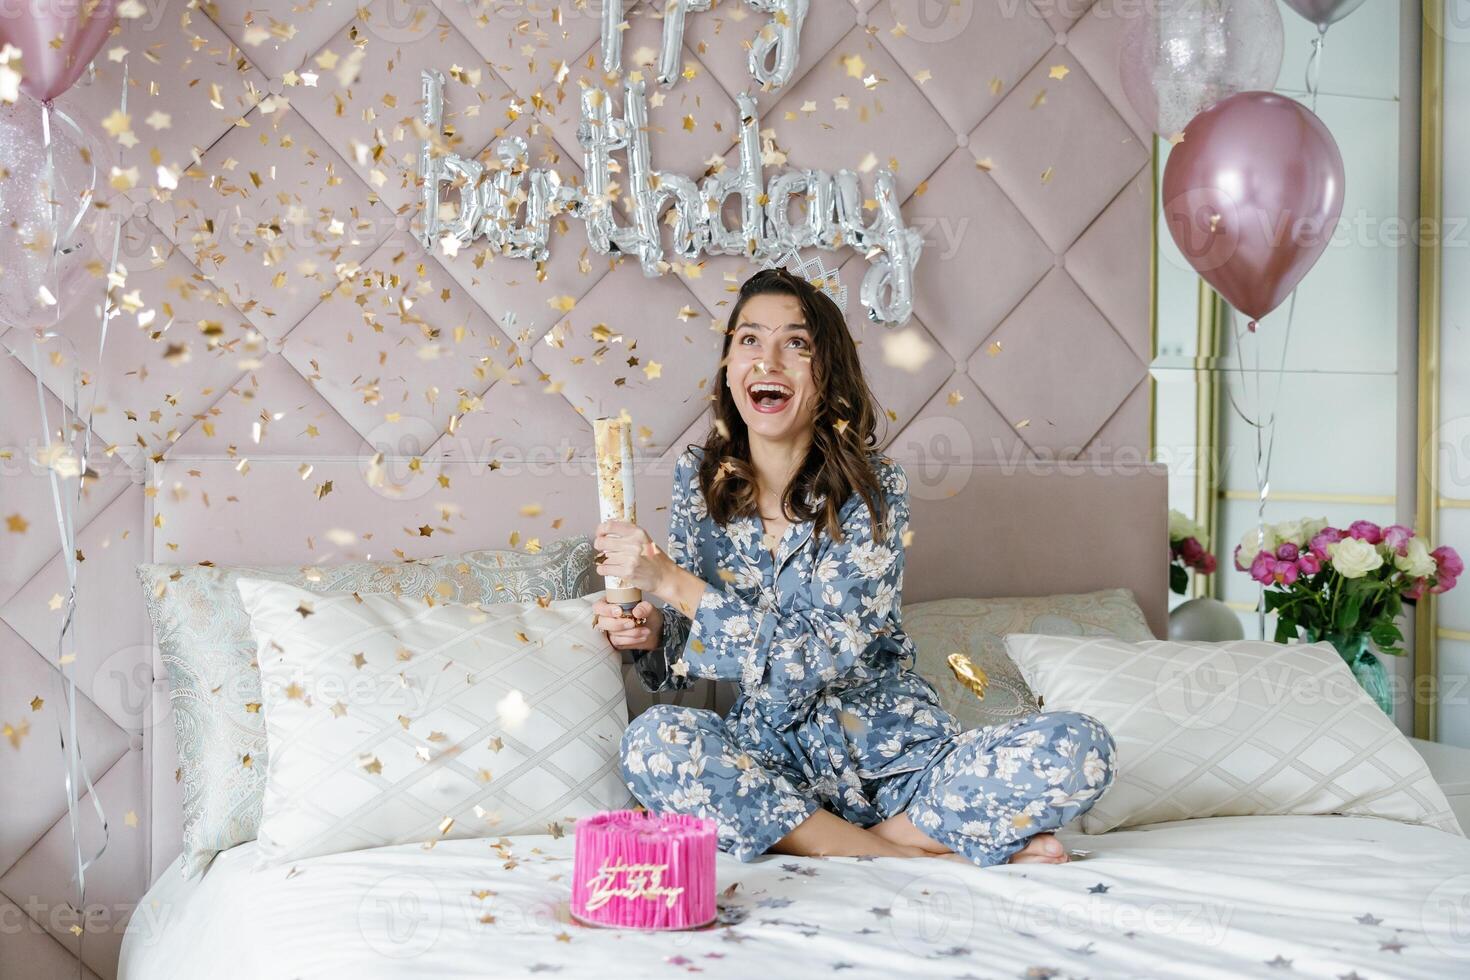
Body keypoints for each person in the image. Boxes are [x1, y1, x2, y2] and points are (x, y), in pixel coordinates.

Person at [591, 267, 1115, 866]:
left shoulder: (873, 489)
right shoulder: (700, 483)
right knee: (652, 743)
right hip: (769, 762)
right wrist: (655, 633)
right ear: (730, 370)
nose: (769, 360)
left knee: (1079, 747)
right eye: (749, 340)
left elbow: (819, 657)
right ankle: (923, 847)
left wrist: (673, 584)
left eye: (797, 344)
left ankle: (867, 844)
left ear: (826, 373)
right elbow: (697, 648)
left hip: (896, 760)